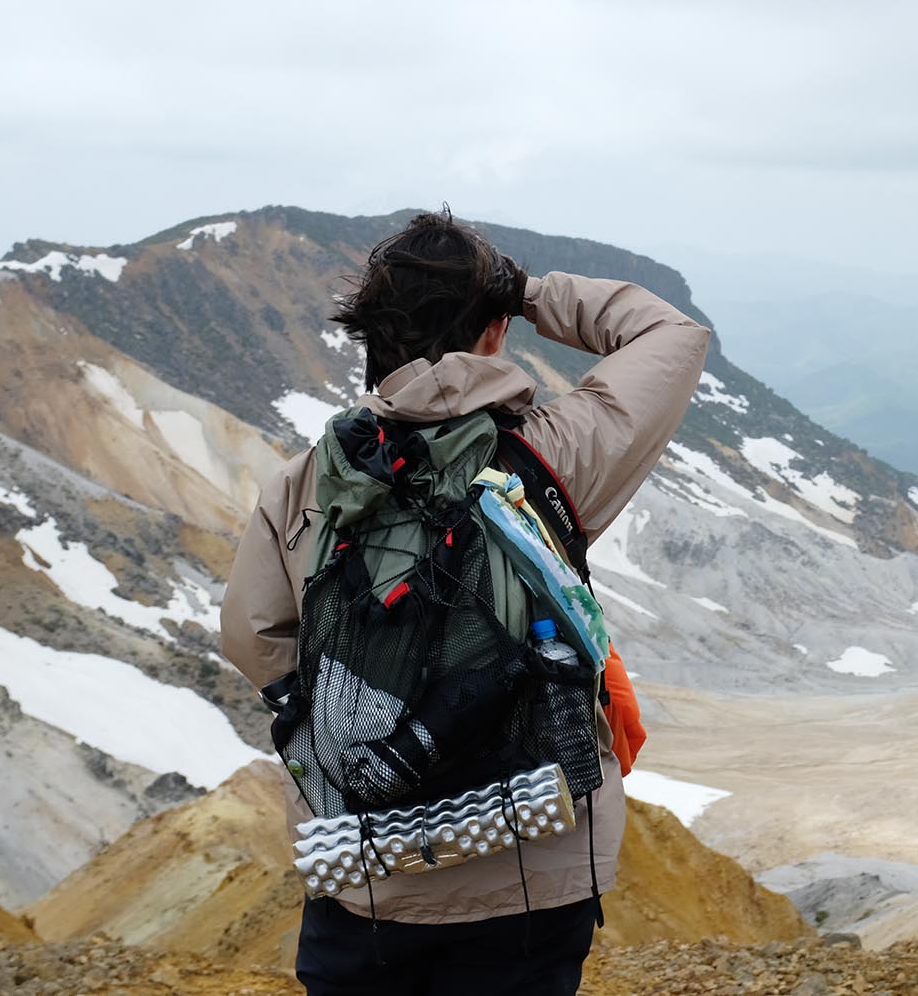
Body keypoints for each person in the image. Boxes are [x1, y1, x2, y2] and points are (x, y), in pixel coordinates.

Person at [221, 208, 709, 995]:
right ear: (494, 328)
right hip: (532, 867)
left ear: (372, 336)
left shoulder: (308, 480)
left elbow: (255, 637)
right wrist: (528, 289)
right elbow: (671, 334)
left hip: (365, 871)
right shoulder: (552, 453)